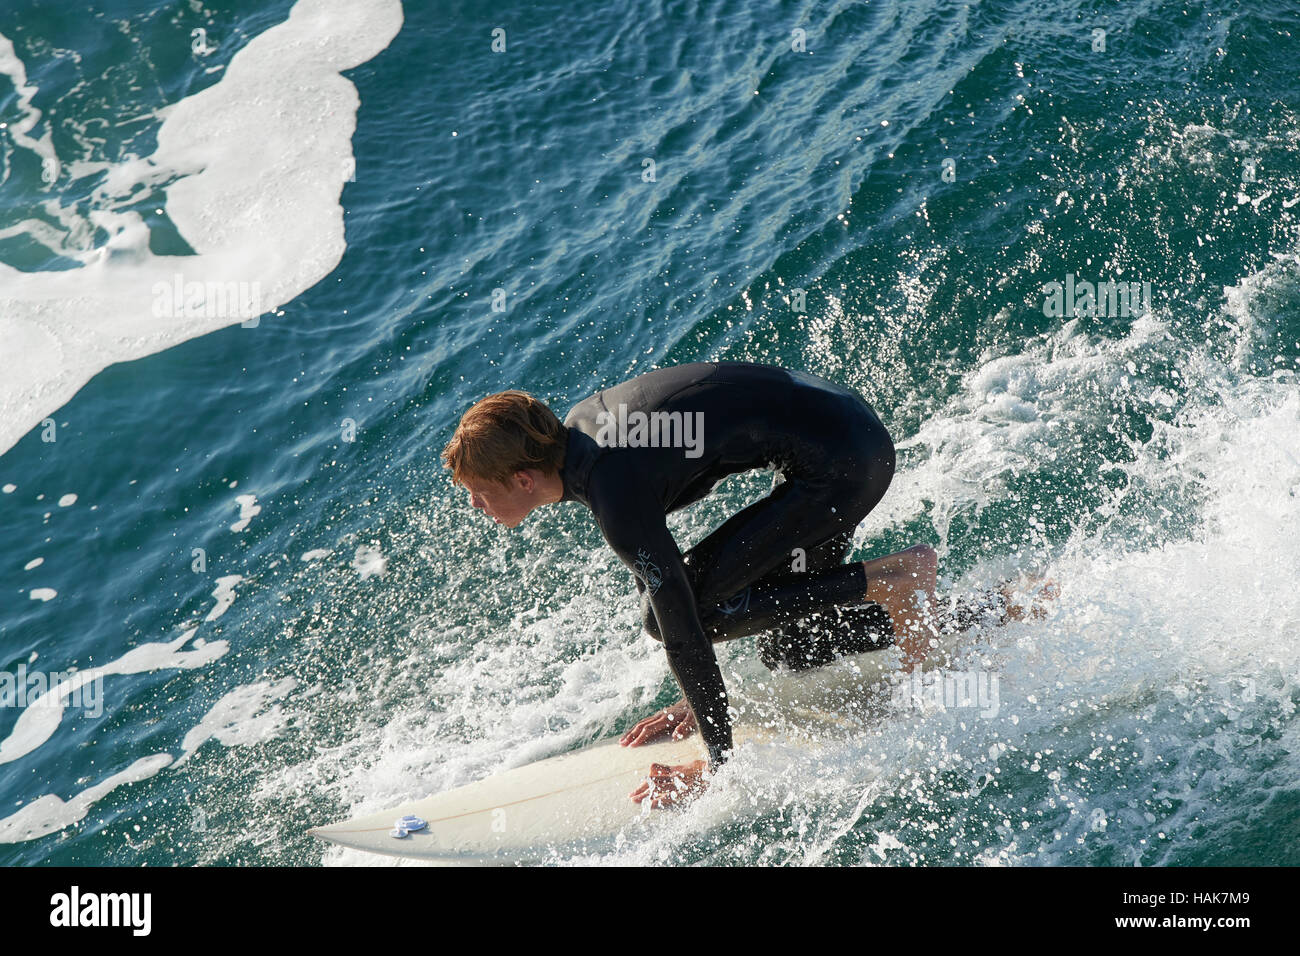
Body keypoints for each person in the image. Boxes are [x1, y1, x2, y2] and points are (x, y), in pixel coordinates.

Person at [442, 361, 991, 808]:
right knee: (791, 647)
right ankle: (985, 610)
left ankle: (893, 579)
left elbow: (681, 627)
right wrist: (691, 696)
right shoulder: (583, 432)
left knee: (668, 618)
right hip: (847, 431)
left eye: (479, 491)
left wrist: (715, 764)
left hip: (840, 465)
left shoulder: (614, 493)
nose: (476, 505)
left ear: (522, 478)